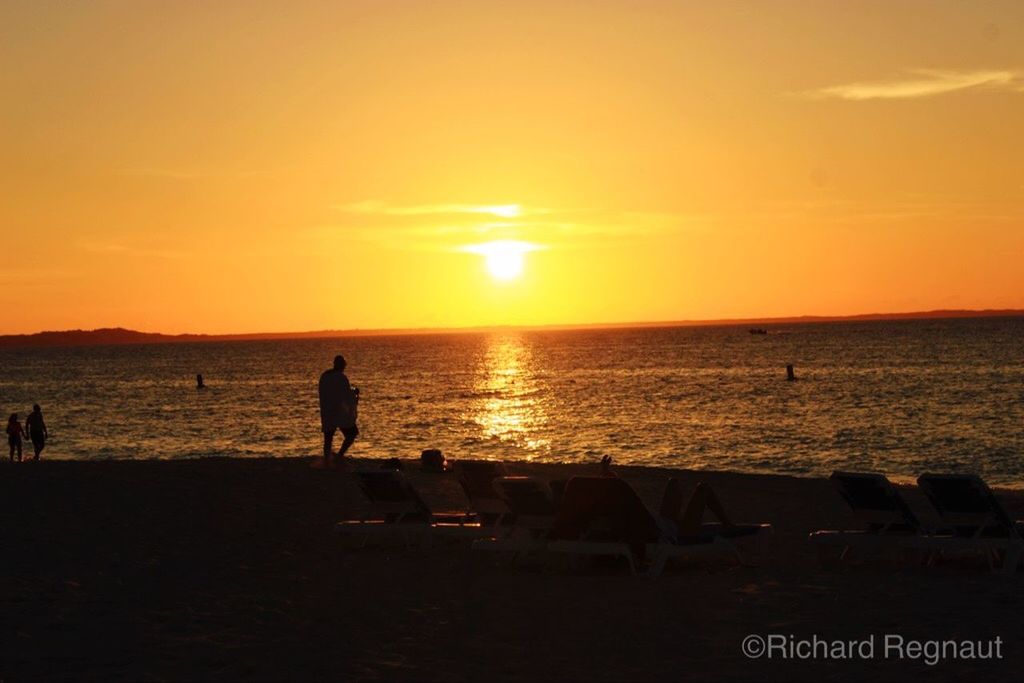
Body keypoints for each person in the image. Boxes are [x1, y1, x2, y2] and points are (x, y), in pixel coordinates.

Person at [318, 355, 359, 468]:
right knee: (352, 433)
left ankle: (327, 461)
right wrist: (354, 392)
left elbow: (327, 392)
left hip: (327, 411)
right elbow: (346, 395)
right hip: (339, 412)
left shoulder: (325, 376)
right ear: (341, 365)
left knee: (328, 437)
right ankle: (339, 457)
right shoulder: (341, 377)